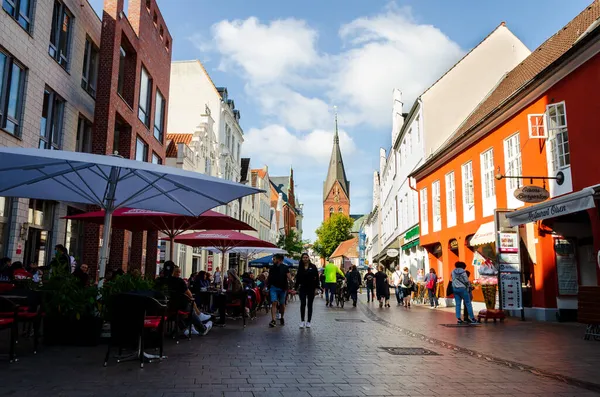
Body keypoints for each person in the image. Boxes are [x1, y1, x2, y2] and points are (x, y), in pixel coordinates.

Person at [156, 261, 213, 336]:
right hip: (179, 307)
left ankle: (186, 327)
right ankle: (201, 328)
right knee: (189, 308)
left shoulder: (159, 281)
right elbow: (189, 294)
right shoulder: (179, 281)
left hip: (163, 308)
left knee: (182, 308)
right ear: (173, 270)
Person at [295, 253, 319, 328]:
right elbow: (298, 278)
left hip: (311, 288)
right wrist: (295, 288)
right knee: (302, 304)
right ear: (302, 259)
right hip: (302, 288)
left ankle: (308, 321)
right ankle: (302, 321)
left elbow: (317, 278)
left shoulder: (313, 267)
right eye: (303, 257)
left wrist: (316, 288)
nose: (305, 259)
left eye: (306, 257)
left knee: (310, 305)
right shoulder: (300, 267)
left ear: (308, 258)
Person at [267, 254, 291, 327]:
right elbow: (269, 278)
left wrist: (290, 278)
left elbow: (289, 276)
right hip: (273, 287)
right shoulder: (271, 267)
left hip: (282, 288)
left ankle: (282, 317)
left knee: (282, 304)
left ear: (279, 260)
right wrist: (267, 286)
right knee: (274, 302)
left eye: (274, 259)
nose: (273, 260)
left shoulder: (285, 267)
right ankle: (273, 320)